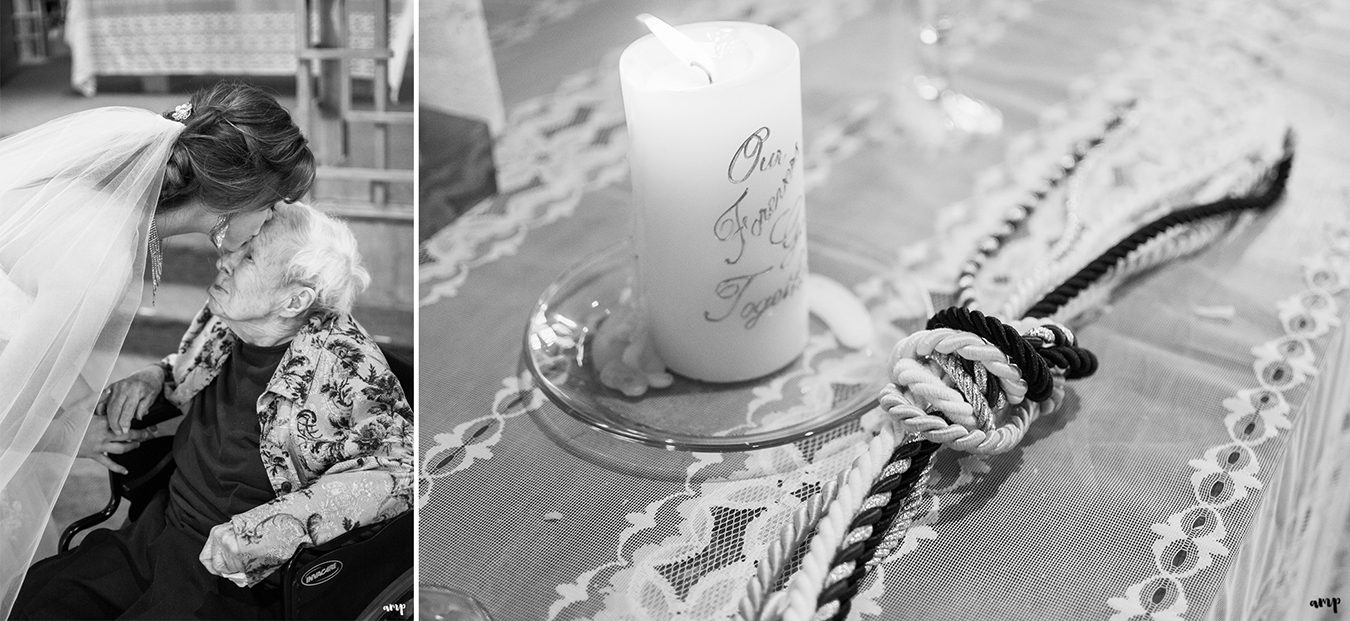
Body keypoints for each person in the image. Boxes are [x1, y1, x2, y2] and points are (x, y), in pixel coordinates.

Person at [0, 81, 315, 616]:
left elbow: (24, 328)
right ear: (232, 200)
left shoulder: (102, 196)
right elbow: (6, 416)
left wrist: (80, 413)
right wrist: (74, 436)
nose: (270, 222)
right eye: (271, 204)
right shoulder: (99, 260)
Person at [11, 202, 412, 619]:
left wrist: (267, 532)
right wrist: (152, 374)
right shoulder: (230, 317)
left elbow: (399, 473)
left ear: (296, 300)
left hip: (232, 576)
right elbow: (184, 369)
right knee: (42, 602)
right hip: (160, 529)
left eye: (249, 256)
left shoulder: (347, 367)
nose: (225, 259)